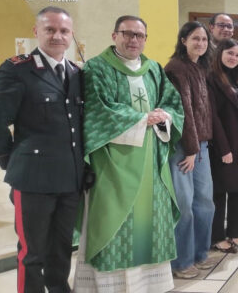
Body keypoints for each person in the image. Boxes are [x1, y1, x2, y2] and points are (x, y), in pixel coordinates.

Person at [75, 15, 184, 292]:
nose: (134, 40)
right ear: (114, 36)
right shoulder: (97, 68)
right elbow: (98, 111)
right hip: (113, 164)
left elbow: (172, 105)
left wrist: (164, 117)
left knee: (149, 225)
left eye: (139, 35)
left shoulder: (154, 70)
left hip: (150, 163)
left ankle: (148, 285)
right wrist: (141, 119)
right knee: (113, 223)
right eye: (128, 34)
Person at [0, 6, 83, 293]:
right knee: (32, 252)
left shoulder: (75, 73)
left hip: (69, 179)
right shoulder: (17, 68)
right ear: (37, 31)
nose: (57, 36)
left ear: (71, 35)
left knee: (61, 247)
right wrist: (7, 157)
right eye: (50, 29)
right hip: (32, 178)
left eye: (63, 31)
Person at [165, 21, 217, 278]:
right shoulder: (176, 68)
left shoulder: (200, 67)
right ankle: (181, 261)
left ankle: (199, 253)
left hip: (200, 146)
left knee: (205, 202)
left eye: (204, 39)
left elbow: (203, 111)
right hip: (183, 147)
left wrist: (200, 147)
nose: (200, 43)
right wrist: (191, 149)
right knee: (184, 205)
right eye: (195, 38)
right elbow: (183, 111)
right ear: (183, 39)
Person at [207, 39, 238, 254]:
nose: (233, 58)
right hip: (224, 145)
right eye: (229, 53)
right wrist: (224, 148)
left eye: (237, 55)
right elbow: (213, 117)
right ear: (219, 54)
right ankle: (218, 237)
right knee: (220, 192)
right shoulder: (211, 78)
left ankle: (236, 235)